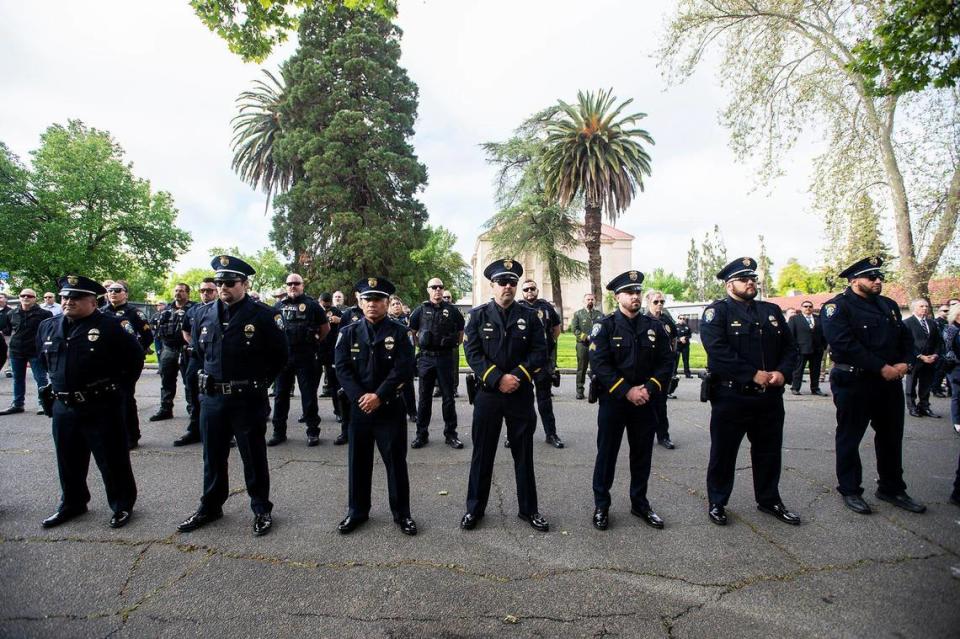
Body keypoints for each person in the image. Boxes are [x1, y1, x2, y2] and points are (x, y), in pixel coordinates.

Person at [177, 255, 287, 537]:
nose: (223, 287)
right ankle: (211, 506)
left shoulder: (263, 315)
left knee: (253, 456)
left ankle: (261, 508)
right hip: (213, 399)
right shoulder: (202, 314)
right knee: (212, 455)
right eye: (219, 282)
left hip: (247, 398)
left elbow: (280, 355)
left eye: (229, 282)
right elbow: (200, 354)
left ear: (245, 284)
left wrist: (258, 383)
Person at [820, 256, 926, 515]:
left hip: (888, 383)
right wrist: (882, 367)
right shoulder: (837, 307)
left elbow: (906, 339)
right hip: (854, 382)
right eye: (872, 277)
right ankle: (850, 489)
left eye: (880, 277)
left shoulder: (888, 305)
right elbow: (844, 344)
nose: (878, 281)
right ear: (854, 280)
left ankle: (891, 487)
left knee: (891, 436)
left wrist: (906, 364)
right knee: (850, 436)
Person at [700, 257, 801, 527]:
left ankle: (769, 499)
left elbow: (790, 348)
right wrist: (751, 374)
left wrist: (782, 372)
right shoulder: (717, 313)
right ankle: (718, 501)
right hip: (732, 396)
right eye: (744, 279)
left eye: (753, 278)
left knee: (769, 452)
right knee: (724, 453)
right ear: (729, 284)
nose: (750, 283)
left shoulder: (771, 310)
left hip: (769, 397)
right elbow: (718, 351)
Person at [37, 275, 143, 529]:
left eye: (75, 297)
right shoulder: (48, 326)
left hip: (101, 404)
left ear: (93, 301)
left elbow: (134, 359)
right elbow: (43, 360)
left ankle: (122, 504)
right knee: (68, 458)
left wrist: (120, 391)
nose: (68, 302)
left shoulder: (111, 326)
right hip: (64, 405)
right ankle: (72, 503)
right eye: (64, 297)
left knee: (111, 457)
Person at [460, 259, 549, 532]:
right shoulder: (477, 316)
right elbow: (472, 354)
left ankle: (528, 510)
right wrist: (498, 379)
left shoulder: (531, 317)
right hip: (488, 394)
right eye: (502, 282)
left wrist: (517, 377)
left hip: (520, 394)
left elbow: (539, 353)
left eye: (512, 282)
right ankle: (474, 509)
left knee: (524, 454)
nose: (508, 286)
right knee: (482, 454)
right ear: (492, 285)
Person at [589, 270, 675, 531]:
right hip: (615, 402)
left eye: (638, 292)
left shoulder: (654, 327)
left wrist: (649, 388)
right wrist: (626, 390)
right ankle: (601, 505)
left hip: (645, 402)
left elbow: (666, 361)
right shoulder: (605, 326)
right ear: (618, 297)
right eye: (629, 292)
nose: (635, 296)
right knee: (607, 455)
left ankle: (639, 503)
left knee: (642, 455)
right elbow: (600, 364)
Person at [334, 276, 417, 535]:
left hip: (389, 407)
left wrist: (378, 396)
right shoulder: (348, 333)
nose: (372, 304)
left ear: (387, 302)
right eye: (367, 299)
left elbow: (403, 369)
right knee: (358, 462)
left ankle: (402, 514)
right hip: (359, 410)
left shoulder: (400, 333)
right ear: (359, 302)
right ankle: (356, 512)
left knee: (395, 463)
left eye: (378, 299)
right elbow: (343, 369)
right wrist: (362, 397)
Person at [269, 273, 329, 447]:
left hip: (305, 355)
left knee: (309, 395)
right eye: (289, 284)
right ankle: (278, 432)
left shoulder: (312, 305)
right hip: (284, 357)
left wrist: (315, 342)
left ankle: (312, 432)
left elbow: (325, 328)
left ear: (303, 285)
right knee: (280, 396)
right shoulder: (278, 306)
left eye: (296, 283)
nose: (292, 286)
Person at [409, 279, 465, 449]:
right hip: (426, 359)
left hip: (445, 358)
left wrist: (449, 345)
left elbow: (460, 334)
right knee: (424, 398)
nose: (438, 290)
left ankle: (451, 434)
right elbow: (413, 333)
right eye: (434, 287)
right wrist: (423, 347)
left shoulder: (453, 310)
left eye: (441, 287)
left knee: (448, 398)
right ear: (428, 290)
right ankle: (421, 434)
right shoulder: (419, 310)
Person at [103, 281, 154, 448]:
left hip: (127, 362)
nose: (113, 293)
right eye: (110, 290)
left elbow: (147, 336)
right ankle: (113, 433)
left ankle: (132, 436)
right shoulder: (101, 312)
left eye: (118, 290)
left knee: (125, 397)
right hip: (106, 362)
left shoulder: (134, 313)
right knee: (108, 399)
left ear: (125, 293)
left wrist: (137, 353)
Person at [517, 279, 564, 448]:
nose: (530, 291)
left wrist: (549, 343)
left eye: (532, 288)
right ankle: (515, 435)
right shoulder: (517, 308)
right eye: (526, 289)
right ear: (522, 292)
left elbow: (557, 328)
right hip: (523, 362)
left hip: (542, 362)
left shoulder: (546, 307)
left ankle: (551, 434)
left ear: (537, 290)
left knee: (544, 400)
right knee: (521, 401)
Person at [173, 278, 218, 447]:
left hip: (214, 359)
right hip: (196, 358)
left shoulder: (222, 310)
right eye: (202, 290)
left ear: (216, 291)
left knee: (215, 394)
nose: (205, 293)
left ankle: (222, 434)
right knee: (192, 389)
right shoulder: (193, 310)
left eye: (209, 290)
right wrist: (196, 346)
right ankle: (194, 429)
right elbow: (186, 330)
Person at [0, 289, 52, 416]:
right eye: (23, 296)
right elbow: (7, 330)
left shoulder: (44, 314)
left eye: (29, 296)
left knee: (40, 378)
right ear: (19, 297)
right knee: (18, 379)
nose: (26, 298)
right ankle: (18, 404)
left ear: (35, 298)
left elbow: (49, 332)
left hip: (35, 351)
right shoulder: (12, 313)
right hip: (16, 350)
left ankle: (43, 403)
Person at [149, 284, 195, 421]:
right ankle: (165, 409)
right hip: (168, 348)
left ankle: (192, 409)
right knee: (166, 380)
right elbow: (154, 326)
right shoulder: (166, 309)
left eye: (181, 291)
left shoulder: (194, 309)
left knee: (189, 381)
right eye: (176, 291)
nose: (178, 293)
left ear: (188, 293)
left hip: (186, 348)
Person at [645, 290, 677, 449]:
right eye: (656, 302)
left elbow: (674, 339)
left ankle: (663, 436)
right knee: (646, 403)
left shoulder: (666, 320)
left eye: (662, 302)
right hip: (647, 369)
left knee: (661, 403)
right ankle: (644, 435)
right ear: (648, 302)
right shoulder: (643, 320)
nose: (659, 305)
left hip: (663, 370)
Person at [903, 298, 942, 418]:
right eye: (921, 306)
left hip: (931, 359)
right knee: (911, 384)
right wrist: (920, 356)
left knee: (926, 384)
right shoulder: (907, 323)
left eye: (926, 306)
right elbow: (905, 343)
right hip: (915, 359)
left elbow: (938, 341)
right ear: (914, 308)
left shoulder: (932, 323)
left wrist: (935, 354)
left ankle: (924, 406)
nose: (925, 308)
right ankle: (912, 407)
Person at [317, 292, 346, 442]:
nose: (326, 306)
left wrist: (338, 320)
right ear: (320, 301)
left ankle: (338, 411)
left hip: (333, 351)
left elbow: (347, 325)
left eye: (328, 304)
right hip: (317, 350)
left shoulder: (338, 312)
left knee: (335, 384)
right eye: (324, 303)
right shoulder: (315, 309)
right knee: (310, 385)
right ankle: (310, 414)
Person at [388, 296, 419, 425]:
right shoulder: (387, 320)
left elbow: (413, 338)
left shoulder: (408, 319)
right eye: (393, 304)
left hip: (406, 358)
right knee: (391, 387)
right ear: (389, 307)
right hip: (391, 359)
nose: (396, 306)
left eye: (398, 303)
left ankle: (412, 412)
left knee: (408, 387)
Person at [788, 300, 827, 396]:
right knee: (798, 370)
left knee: (816, 370)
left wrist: (823, 346)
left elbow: (824, 333)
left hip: (817, 349)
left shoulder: (818, 319)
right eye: (805, 306)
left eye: (810, 306)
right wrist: (794, 348)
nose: (808, 308)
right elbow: (791, 335)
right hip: (801, 349)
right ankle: (795, 388)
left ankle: (815, 388)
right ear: (801, 308)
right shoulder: (795, 319)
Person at [571, 293, 605, 399]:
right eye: (588, 299)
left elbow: (603, 328)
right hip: (583, 345)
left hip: (594, 345)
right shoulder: (578, 314)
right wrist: (586, 337)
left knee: (596, 367)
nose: (590, 301)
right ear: (584, 301)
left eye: (592, 299)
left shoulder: (599, 314)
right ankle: (580, 391)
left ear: (594, 301)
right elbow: (575, 329)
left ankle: (595, 390)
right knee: (582, 368)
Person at [943, 304, 960, 436]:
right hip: (955, 366)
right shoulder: (951, 329)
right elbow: (948, 349)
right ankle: (957, 422)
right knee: (957, 394)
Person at [441, 290, 462, 398]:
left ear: (451, 298)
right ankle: (437, 388)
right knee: (438, 366)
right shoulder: (438, 309)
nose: (446, 299)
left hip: (453, 343)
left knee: (454, 366)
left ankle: (454, 388)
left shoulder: (455, 310)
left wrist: (458, 342)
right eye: (444, 297)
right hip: (439, 343)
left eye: (448, 297)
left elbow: (461, 329)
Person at [932, 303, 950, 398]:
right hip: (940, 350)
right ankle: (935, 389)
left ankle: (939, 387)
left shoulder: (949, 322)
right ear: (939, 312)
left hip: (948, 350)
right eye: (945, 311)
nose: (947, 312)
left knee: (944, 371)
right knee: (939, 371)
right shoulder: (937, 323)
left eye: (949, 310)